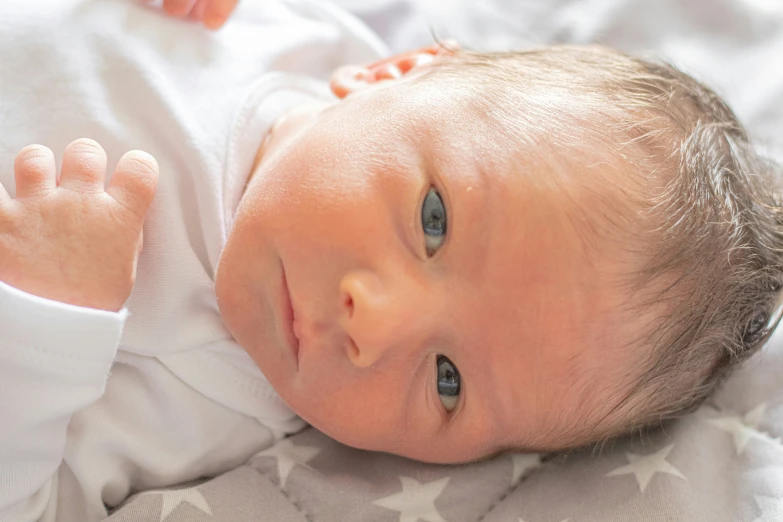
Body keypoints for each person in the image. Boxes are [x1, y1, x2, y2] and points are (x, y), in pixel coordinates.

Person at [1, 0, 781, 521]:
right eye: (433, 221)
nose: (372, 324)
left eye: (449, 381)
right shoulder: (284, 33)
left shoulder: (205, 401)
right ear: (394, 72)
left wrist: (45, 326)